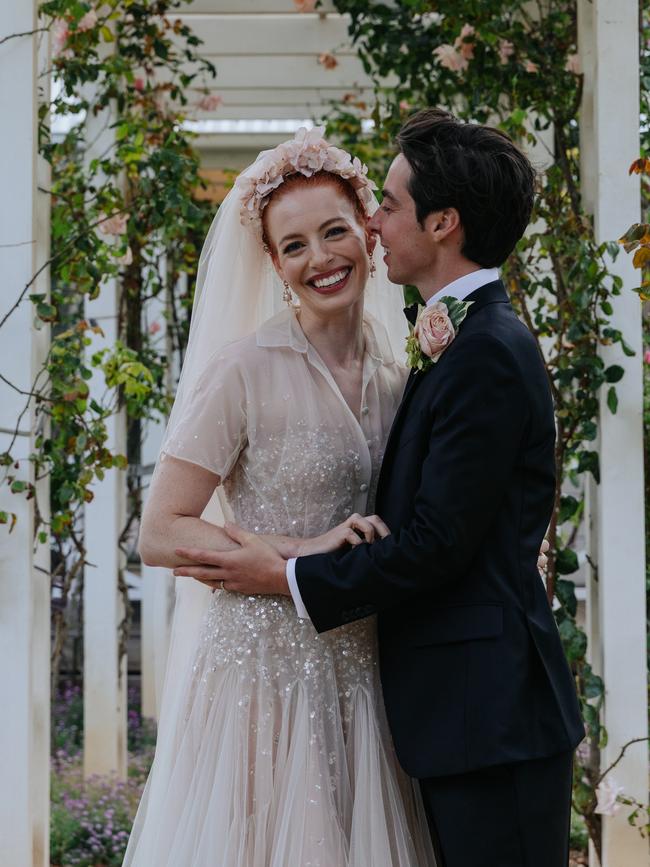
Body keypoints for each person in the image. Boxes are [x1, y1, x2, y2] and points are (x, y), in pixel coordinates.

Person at [177, 109, 585, 867]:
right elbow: (162, 528)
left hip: (481, 714)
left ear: (443, 223)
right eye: (293, 243)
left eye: (385, 206)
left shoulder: (482, 351)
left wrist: (289, 571)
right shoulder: (449, 344)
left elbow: (436, 543)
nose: (372, 224)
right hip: (410, 702)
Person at [124, 127, 437, 866]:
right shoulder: (241, 370)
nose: (320, 259)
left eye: (334, 232)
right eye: (293, 246)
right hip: (259, 677)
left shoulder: (403, 376)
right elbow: (161, 532)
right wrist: (301, 551)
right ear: (273, 262)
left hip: (366, 676)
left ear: (368, 229)